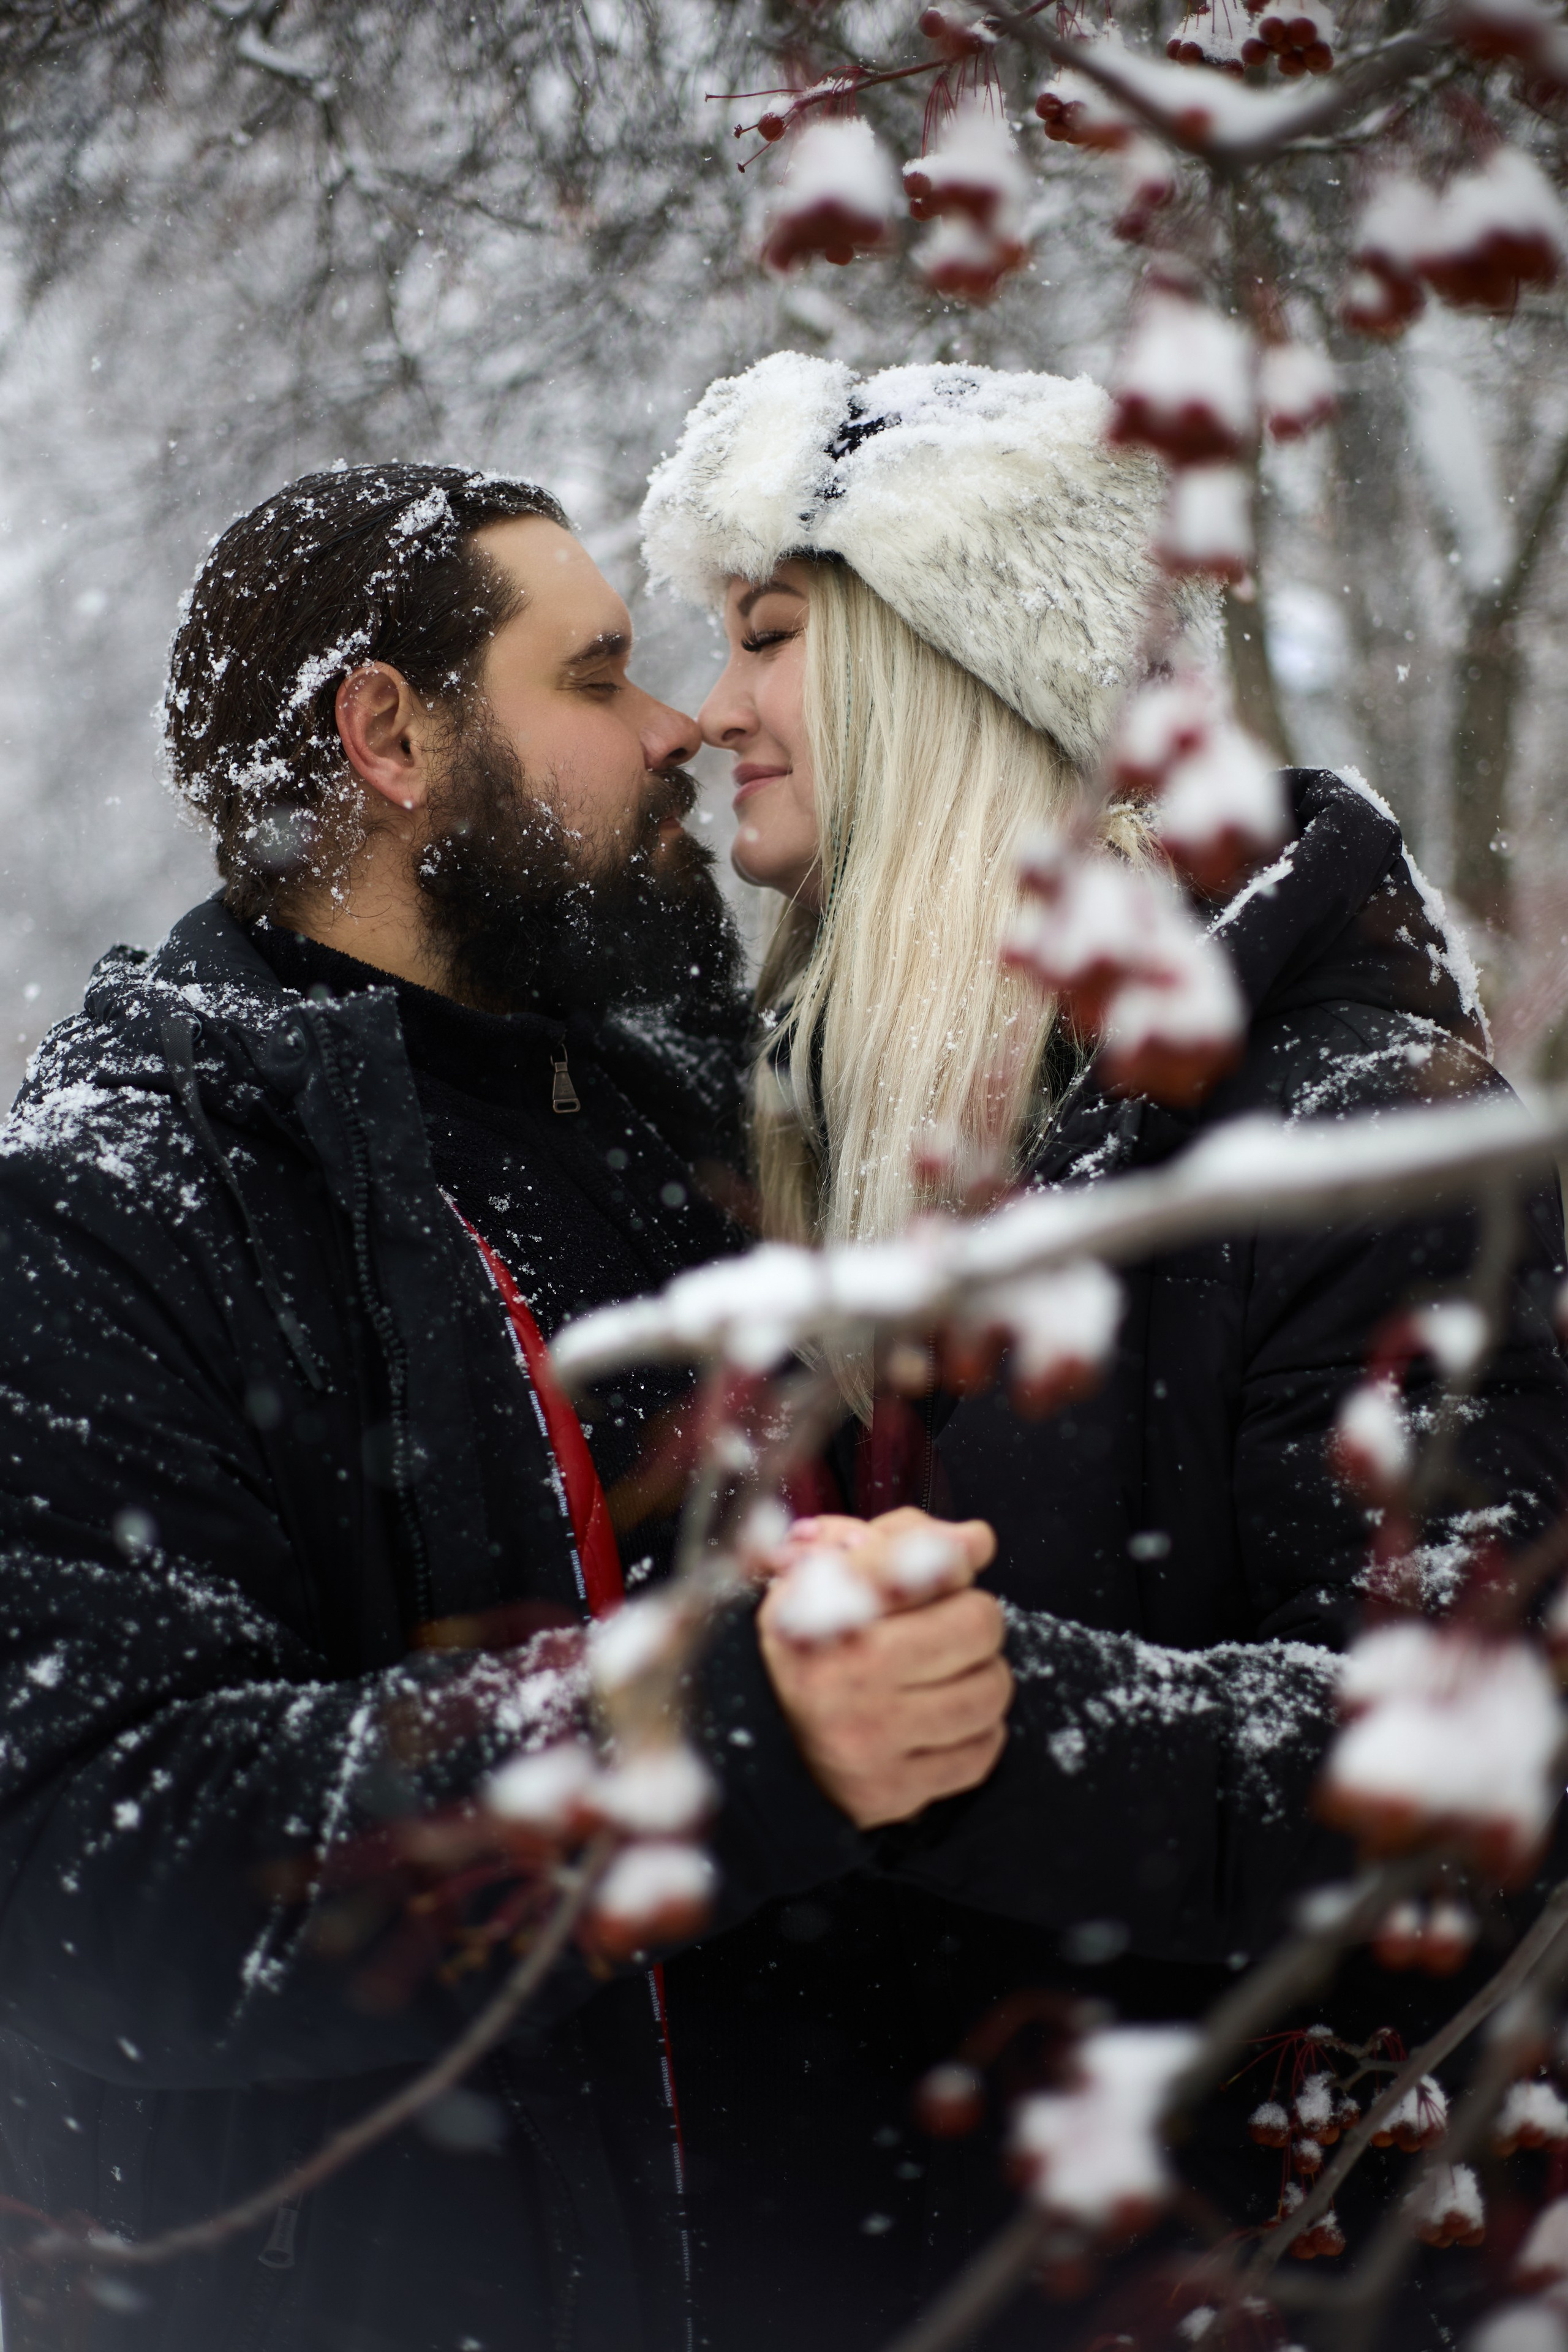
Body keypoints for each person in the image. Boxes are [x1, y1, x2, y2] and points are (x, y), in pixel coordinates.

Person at [0, 462, 1017, 2352]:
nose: (676, 731)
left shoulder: (647, 1110)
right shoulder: (116, 1205)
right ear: (386, 735)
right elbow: (91, 1865)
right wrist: (703, 1736)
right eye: (600, 673)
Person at [638, 353, 1568, 2344]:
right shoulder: (780, 1141)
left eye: (776, 638)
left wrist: (965, 1713)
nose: (712, 712)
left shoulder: (1350, 1143)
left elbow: (1468, 1763)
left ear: (955, 668)